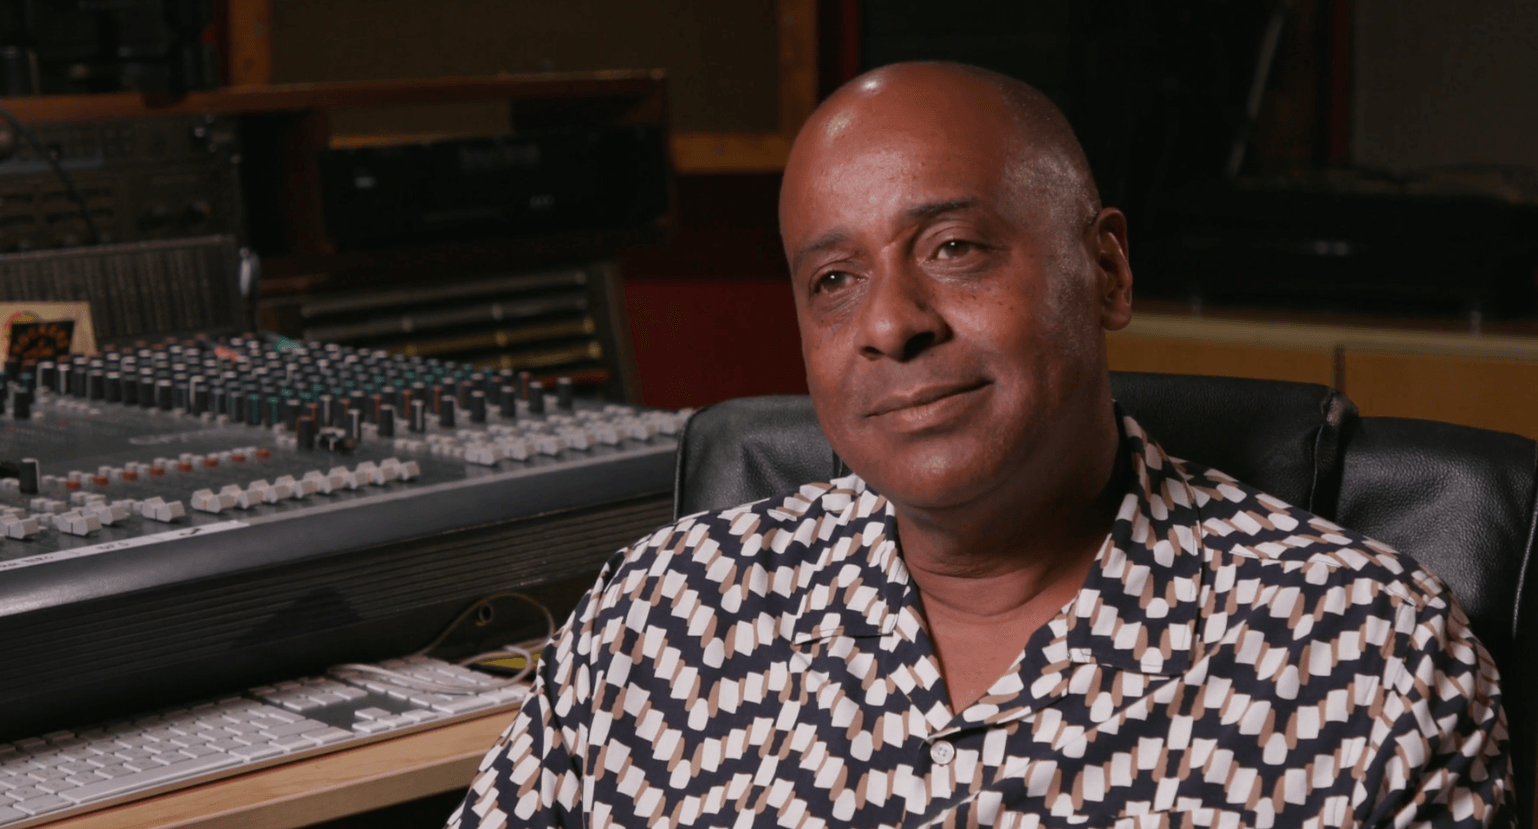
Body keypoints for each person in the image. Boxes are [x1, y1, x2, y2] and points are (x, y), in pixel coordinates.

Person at [445, 62, 1512, 828]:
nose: (887, 323)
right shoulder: (658, 611)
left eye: (953, 248)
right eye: (833, 280)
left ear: (1106, 271)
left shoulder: (1368, 660)